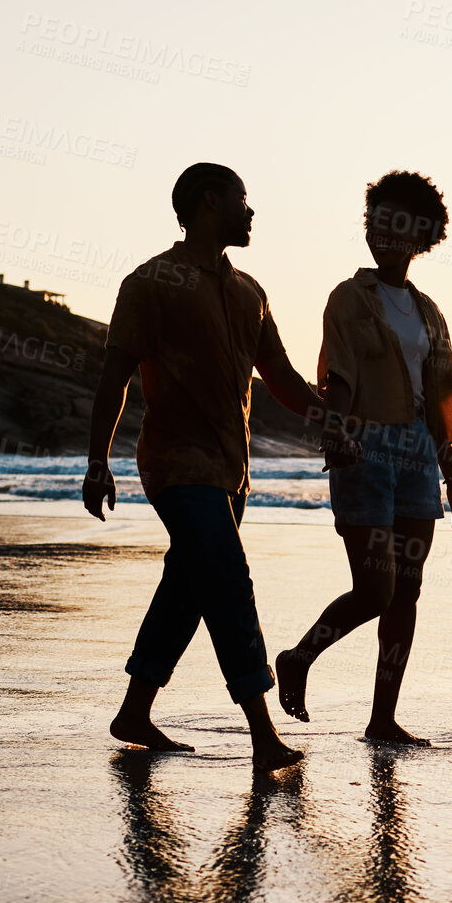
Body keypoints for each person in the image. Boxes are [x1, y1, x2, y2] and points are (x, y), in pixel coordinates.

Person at [83, 162, 349, 772]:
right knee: (228, 579)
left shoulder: (249, 291)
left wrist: (331, 417)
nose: (251, 212)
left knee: (188, 586)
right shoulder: (150, 282)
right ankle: (262, 733)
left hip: (233, 472)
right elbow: (113, 379)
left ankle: (134, 710)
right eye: (242, 200)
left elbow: (279, 376)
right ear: (209, 203)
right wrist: (97, 461)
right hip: (175, 464)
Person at [274, 171, 452, 746]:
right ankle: (298, 657)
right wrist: (337, 431)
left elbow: (441, 400)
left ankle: (382, 718)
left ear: (423, 235)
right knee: (375, 589)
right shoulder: (349, 297)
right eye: (375, 221)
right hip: (364, 447)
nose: (383, 233)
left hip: (417, 450)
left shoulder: (429, 312)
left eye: (397, 224)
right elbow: (338, 373)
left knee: (406, 591)